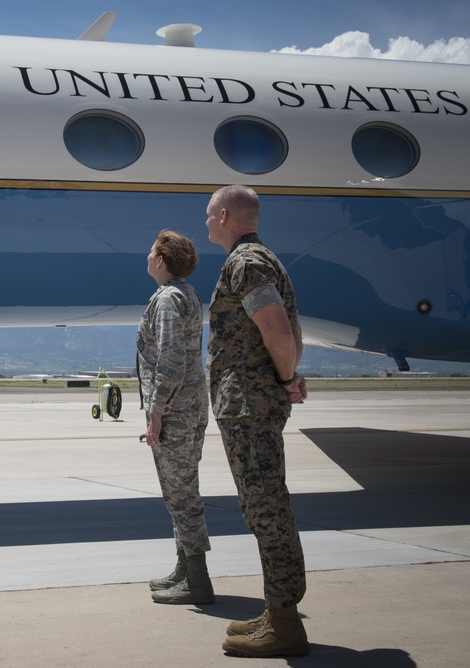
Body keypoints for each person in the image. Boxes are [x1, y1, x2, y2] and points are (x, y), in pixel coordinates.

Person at [205, 185, 309, 657]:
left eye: (209, 215)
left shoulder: (246, 263)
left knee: (267, 508)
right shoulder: (263, 259)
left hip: (249, 406)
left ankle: (286, 624)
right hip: (251, 403)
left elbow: (279, 331)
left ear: (224, 214)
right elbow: (290, 330)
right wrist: (287, 376)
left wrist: (286, 379)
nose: (206, 222)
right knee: (262, 507)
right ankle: (277, 610)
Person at [137, 230, 213, 606]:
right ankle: (184, 568)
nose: (148, 257)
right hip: (191, 403)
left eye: (152, 252)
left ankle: (197, 580)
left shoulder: (168, 299)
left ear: (163, 260)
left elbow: (170, 361)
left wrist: (156, 415)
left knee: (181, 495)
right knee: (179, 491)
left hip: (176, 409)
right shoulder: (188, 293)